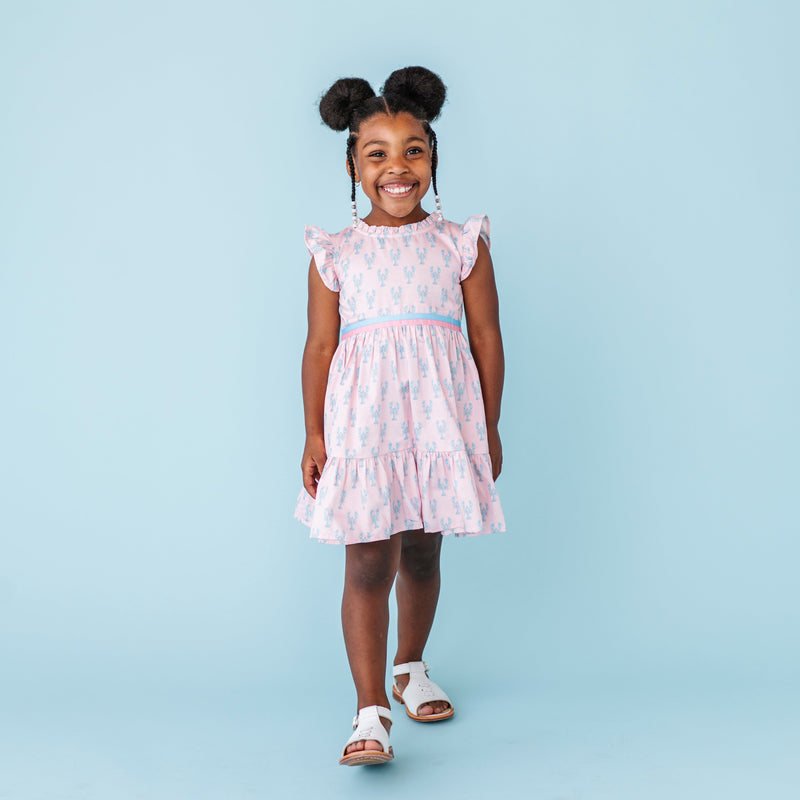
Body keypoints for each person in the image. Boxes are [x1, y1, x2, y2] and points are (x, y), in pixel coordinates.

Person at [294, 66, 506, 766]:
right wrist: (314, 434)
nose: (397, 167)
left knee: (421, 549)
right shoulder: (336, 253)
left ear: (433, 158)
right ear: (353, 166)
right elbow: (320, 347)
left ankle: (409, 667)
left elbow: (486, 339)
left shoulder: (461, 244)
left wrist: (488, 426)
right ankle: (371, 711)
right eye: (377, 152)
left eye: (413, 150)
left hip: (439, 425)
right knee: (366, 560)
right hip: (364, 428)